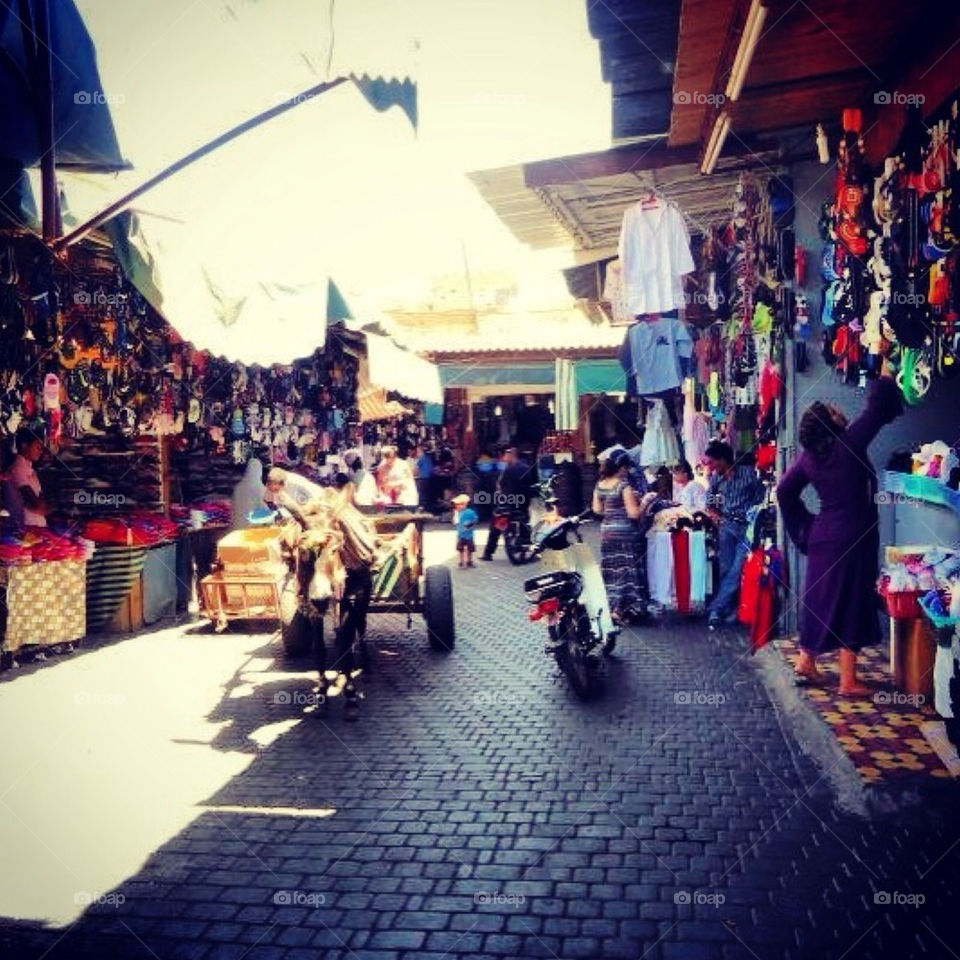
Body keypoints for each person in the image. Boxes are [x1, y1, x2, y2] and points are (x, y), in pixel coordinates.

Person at [777, 372, 902, 694]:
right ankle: (848, 680)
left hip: (823, 535)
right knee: (853, 599)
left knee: (819, 599)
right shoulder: (850, 442)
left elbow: (784, 492)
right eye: (832, 410)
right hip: (852, 535)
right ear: (827, 422)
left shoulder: (809, 459)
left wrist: (805, 527)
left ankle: (806, 663)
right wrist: (884, 375)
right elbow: (876, 410)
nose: (838, 409)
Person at [704, 440, 764, 630]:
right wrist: (717, 518)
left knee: (738, 568)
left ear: (723, 460)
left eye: (713, 462)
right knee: (725, 568)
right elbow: (710, 504)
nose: (711, 467)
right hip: (726, 527)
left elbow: (760, 499)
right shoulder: (716, 480)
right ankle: (729, 608)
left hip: (747, 527)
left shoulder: (748, 474)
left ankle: (716, 609)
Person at [591, 448, 657, 624]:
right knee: (626, 571)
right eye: (626, 468)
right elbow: (634, 514)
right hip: (624, 534)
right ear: (621, 467)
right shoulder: (623, 485)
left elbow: (597, 510)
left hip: (606, 533)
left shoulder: (600, 484)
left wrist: (613, 508)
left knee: (612, 570)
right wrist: (645, 502)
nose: (627, 471)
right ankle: (620, 611)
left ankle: (613, 606)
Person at [480, 447, 535, 561]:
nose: (504, 458)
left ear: (511, 455)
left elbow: (501, 485)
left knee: (496, 525)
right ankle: (528, 545)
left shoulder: (508, 470)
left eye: (506, 455)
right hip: (523, 503)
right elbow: (532, 484)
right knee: (525, 521)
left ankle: (488, 553)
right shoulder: (526, 468)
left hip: (508, 503)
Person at [1, 427, 49, 531]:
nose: (41, 452)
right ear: (24, 446)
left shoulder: (30, 470)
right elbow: (37, 506)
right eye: (37, 447)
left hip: (37, 529)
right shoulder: (19, 469)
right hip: (28, 529)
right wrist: (55, 506)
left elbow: (41, 503)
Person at [231, 458, 265, 528]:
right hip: (252, 527)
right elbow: (263, 509)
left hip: (237, 525)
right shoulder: (260, 488)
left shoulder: (238, 487)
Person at [452, 493, 477, 568]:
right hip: (461, 534)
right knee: (461, 549)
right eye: (457, 505)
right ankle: (462, 562)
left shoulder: (470, 512)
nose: (457, 506)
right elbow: (455, 522)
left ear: (465, 504)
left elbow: (475, 519)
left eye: (459, 504)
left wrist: (470, 524)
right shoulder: (457, 513)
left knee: (470, 549)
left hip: (469, 535)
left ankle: (469, 561)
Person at [414, 444, 435, 511]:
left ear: (420, 451)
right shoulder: (429, 458)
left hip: (422, 477)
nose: (417, 453)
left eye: (417, 451)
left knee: (421, 492)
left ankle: (422, 506)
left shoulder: (421, 459)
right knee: (427, 492)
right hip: (430, 477)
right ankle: (428, 505)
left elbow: (416, 470)